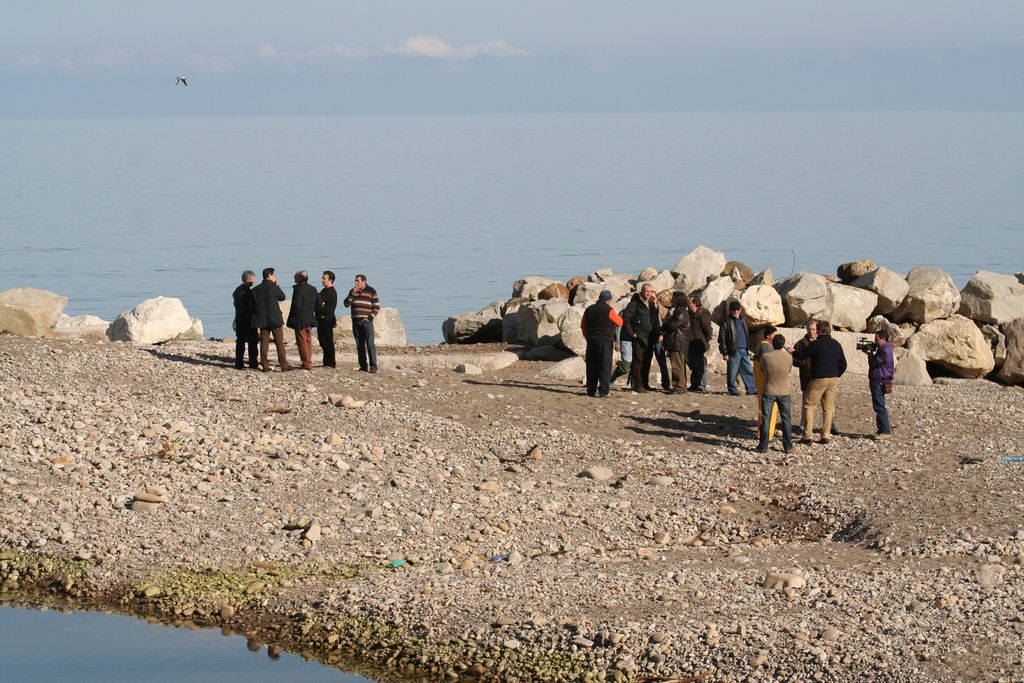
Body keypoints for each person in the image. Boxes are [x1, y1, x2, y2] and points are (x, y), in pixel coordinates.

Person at [791, 320, 847, 444]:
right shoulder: (836, 344)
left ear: (820, 330)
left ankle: (808, 436)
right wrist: (836, 375)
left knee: (809, 406)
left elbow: (801, 356)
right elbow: (843, 364)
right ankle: (826, 435)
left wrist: (792, 352)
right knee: (828, 408)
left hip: (818, 379)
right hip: (833, 379)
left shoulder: (816, 344)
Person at [756, 335, 795, 453]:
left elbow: (761, 369)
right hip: (784, 391)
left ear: (772, 343)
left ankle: (763, 445)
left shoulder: (766, 356)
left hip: (769, 390)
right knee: (786, 419)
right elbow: (789, 370)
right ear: (783, 344)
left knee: (766, 418)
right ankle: (788, 446)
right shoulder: (788, 357)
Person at [581, 290, 624, 397]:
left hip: (591, 340)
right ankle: (604, 391)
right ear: (609, 300)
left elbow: (583, 325)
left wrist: (587, 336)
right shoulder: (609, 310)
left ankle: (591, 390)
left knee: (592, 365)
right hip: (605, 341)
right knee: (604, 365)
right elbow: (619, 322)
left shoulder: (589, 309)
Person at [622, 284, 661, 392]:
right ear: (642, 292)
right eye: (647, 291)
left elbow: (655, 320)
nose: (649, 294)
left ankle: (645, 383)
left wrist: (655, 304)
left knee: (647, 361)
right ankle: (638, 385)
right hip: (638, 336)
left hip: (650, 337)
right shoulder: (634, 304)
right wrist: (631, 333)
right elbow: (626, 318)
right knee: (638, 361)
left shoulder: (651, 304)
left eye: (651, 291)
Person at [252, 267, 289, 372]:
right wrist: (277, 285)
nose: (275, 277)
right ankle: (284, 365)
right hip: (275, 319)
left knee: (264, 342)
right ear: (269, 276)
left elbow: (252, 304)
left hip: (262, 319)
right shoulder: (273, 287)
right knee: (279, 342)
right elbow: (282, 297)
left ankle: (264, 364)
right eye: (274, 275)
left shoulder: (256, 289)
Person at [718, 300, 757, 396]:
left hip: (744, 350)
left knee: (748, 370)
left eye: (737, 309)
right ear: (730, 310)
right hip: (733, 351)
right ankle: (732, 390)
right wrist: (725, 353)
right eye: (733, 310)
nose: (735, 311)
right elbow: (721, 339)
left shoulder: (742, 319)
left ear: (740, 310)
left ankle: (751, 389)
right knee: (733, 372)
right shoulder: (726, 322)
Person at [344, 274, 381, 373]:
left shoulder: (371, 291)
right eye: (355, 281)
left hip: (367, 322)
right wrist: (351, 294)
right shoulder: (352, 291)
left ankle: (373, 366)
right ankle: (363, 366)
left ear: (364, 281)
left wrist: (369, 318)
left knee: (370, 344)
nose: (356, 283)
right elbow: (346, 304)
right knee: (360, 345)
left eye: (358, 281)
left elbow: (376, 306)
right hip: (356, 321)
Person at [864, 328, 895, 439]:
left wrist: (869, 354)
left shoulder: (884, 351)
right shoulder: (884, 349)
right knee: (878, 405)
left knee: (879, 406)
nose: (875, 341)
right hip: (879, 380)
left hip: (879, 381)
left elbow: (873, 364)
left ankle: (885, 431)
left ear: (883, 339)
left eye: (877, 339)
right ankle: (881, 430)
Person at [753, 326, 780, 441]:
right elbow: (767, 365)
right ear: (768, 336)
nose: (776, 336)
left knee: (764, 406)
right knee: (769, 407)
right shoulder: (766, 347)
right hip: (766, 381)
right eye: (774, 334)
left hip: (762, 380)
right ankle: (767, 435)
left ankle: (763, 433)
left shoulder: (762, 345)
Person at [287, 270, 317, 370]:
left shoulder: (298, 289)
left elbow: (296, 305)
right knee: (308, 340)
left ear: (299, 278)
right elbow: (318, 302)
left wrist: (292, 316)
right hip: (310, 317)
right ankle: (308, 361)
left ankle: (306, 362)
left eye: (295, 277)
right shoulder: (313, 288)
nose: (294, 278)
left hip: (300, 318)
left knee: (301, 341)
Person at [661, 291, 691, 393]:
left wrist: (664, 323)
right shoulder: (680, 311)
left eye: (673, 298)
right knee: (679, 366)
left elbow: (672, 325)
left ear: (678, 300)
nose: (671, 300)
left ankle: (679, 387)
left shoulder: (681, 312)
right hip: (677, 342)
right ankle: (681, 386)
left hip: (677, 342)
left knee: (677, 366)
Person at [232, 270, 258, 370]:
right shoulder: (249, 292)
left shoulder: (237, 290)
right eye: (253, 279)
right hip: (248, 318)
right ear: (248, 279)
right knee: (252, 341)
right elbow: (251, 306)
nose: (254, 281)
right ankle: (253, 362)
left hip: (239, 317)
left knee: (240, 341)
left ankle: (239, 362)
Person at [686, 295, 713, 392]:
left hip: (699, 344)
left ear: (695, 303)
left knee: (701, 365)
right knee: (694, 366)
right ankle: (694, 384)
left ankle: (702, 385)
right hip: (691, 345)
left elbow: (708, 331)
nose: (687, 304)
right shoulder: (690, 315)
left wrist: (703, 340)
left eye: (689, 302)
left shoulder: (701, 315)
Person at [316, 271, 338, 368]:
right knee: (323, 341)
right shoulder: (324, 290)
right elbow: (317, 301)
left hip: (327, 319)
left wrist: (320, 304)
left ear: (330, 280)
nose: (322, 280)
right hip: (321, 319)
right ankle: (326, 362)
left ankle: (331, 363)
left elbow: (320, 303)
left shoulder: (331, 291)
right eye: (322, 278)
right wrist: (320, 304)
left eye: (324, 279)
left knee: (328, 341)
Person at [610, 325, 633, 390]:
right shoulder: (623, 316)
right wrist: (617, 341)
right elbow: (618, 326)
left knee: (635, 365)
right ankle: (611, 380)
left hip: (637, 341)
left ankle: (634, 386)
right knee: (625, 367)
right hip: (625, 341)